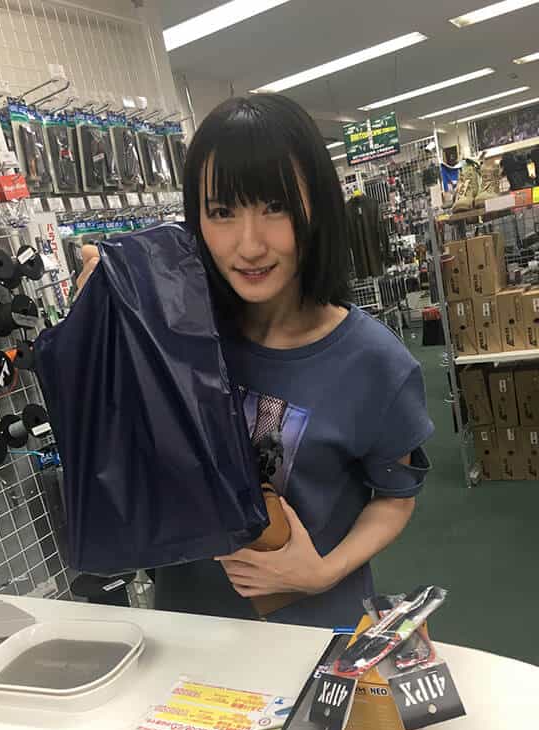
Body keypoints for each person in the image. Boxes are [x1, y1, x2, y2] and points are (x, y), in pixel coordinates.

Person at [76, 93, 433, 628]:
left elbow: (395, 497)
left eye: (275, 207)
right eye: (222, 212)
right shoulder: (175, 335)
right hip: (190, 628)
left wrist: (323, 572)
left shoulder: (373, 361)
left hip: (311, 632)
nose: (249, 245)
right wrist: (103, 327)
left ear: (317, 206)